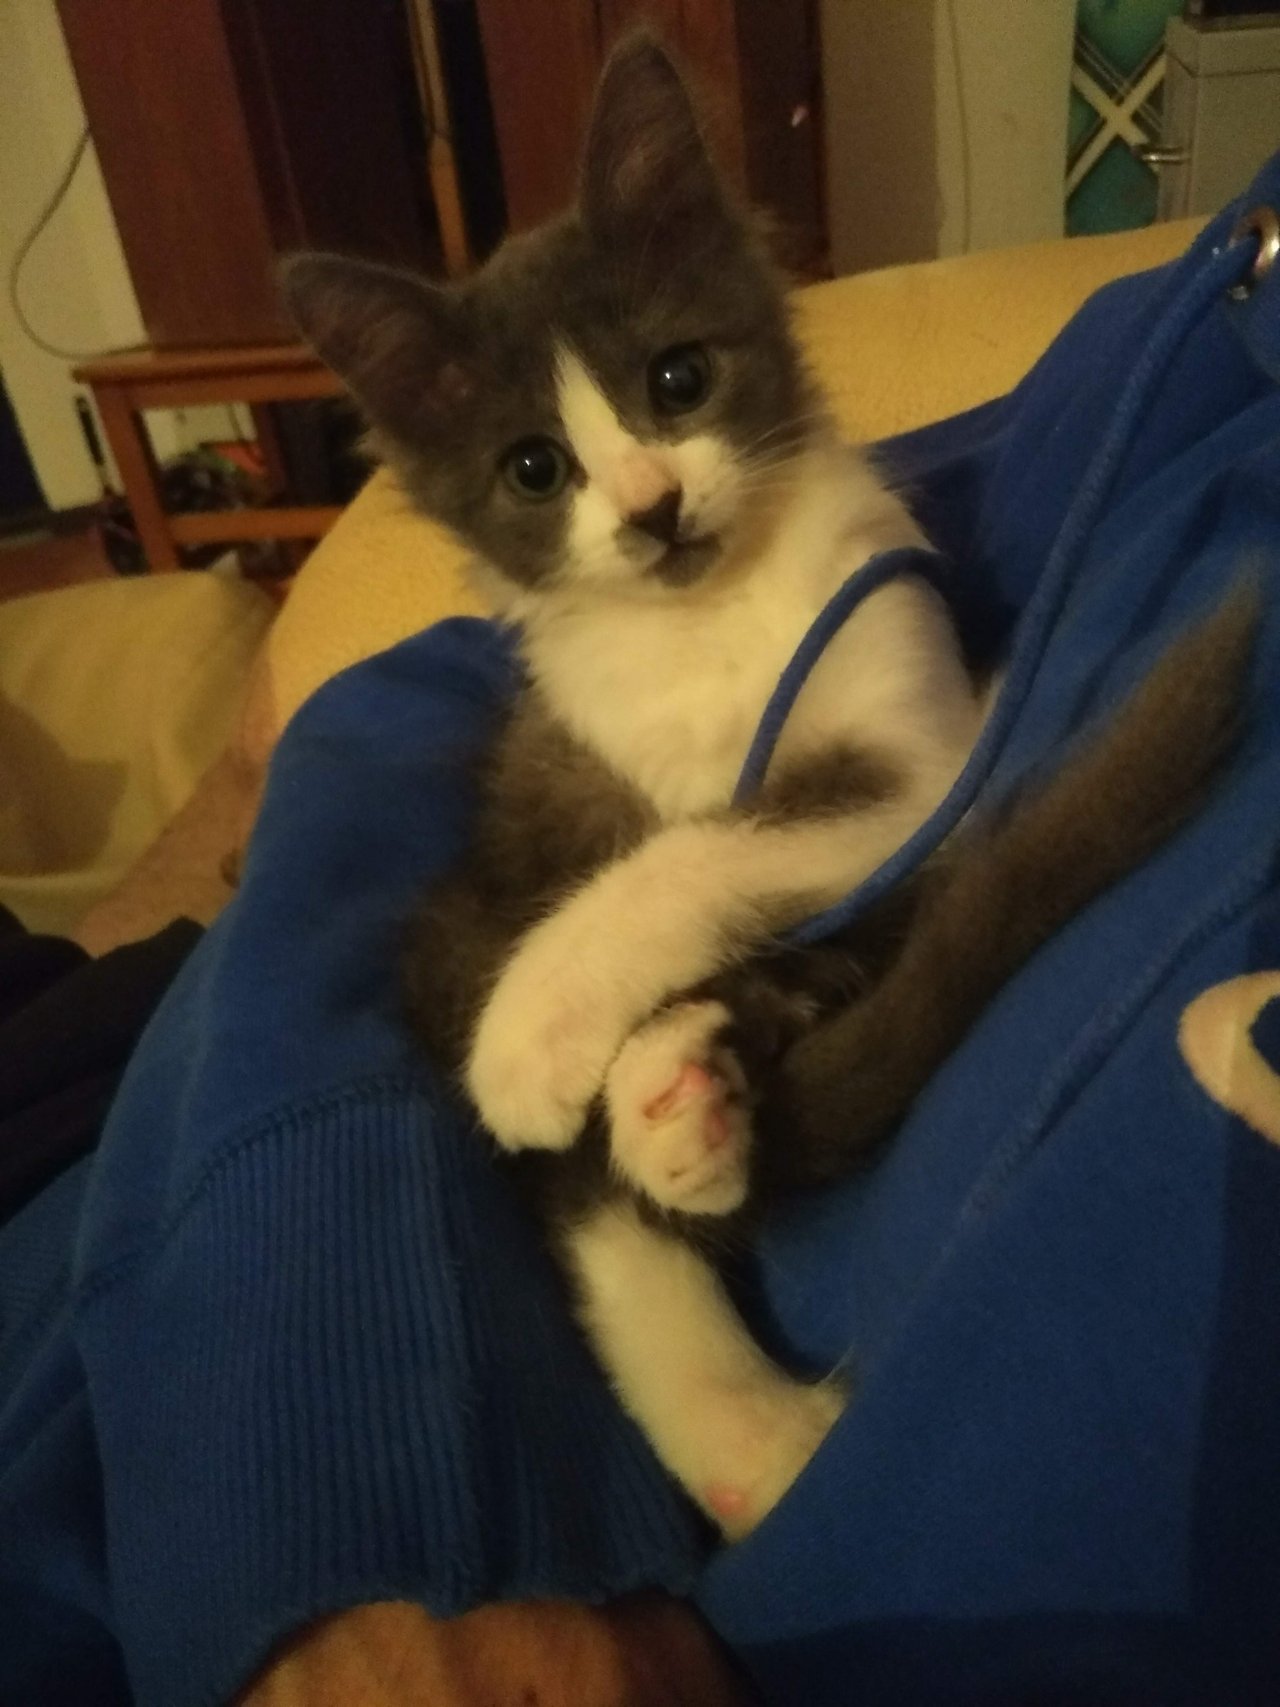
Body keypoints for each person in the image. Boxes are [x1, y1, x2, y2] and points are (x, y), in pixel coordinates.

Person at [3, 161, 1279, 1707]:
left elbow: (896, 794)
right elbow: (388, 746)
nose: (647, 491)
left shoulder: (865, 513)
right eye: (543, 466)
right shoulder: (1158, 360)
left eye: (673, 386)